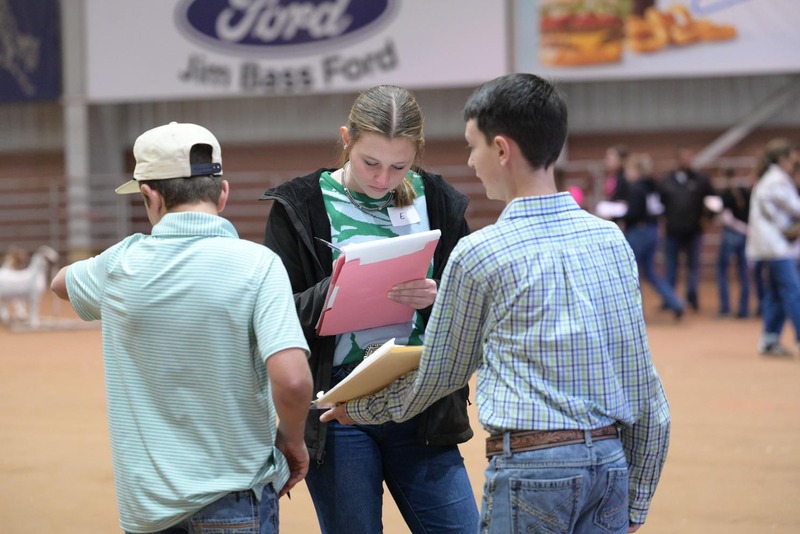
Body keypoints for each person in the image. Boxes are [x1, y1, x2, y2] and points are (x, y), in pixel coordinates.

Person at [322, 73, 671, 533]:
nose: (470, 160)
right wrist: (635, 501)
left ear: (502, 150)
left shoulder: (481, 253)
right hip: (609, 465)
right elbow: (647, 392)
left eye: (473, 146)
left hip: (532, 470)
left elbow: (438, 376)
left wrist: (360, 410)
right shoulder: (610, 241)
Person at [50, 122, 313, 533]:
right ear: (222, 193)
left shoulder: (119, 265)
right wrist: (293, 441)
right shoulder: (258, 265)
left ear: (148, 196)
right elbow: (294, 381)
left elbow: (60, 283)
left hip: (147, 510)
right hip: (236, 499)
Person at [260, 85, 478, 534]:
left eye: (399, 166)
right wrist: (340, 290)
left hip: (421, 397)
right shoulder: (299, 206)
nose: (383, 179)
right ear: (346, 140)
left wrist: (439, 297)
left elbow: (470, 313)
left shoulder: (438, 200)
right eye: (370, 163)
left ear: (417, 153)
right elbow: (276, 314)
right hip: (337, 406)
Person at [745, 138, 800, 357]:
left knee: (776, 293)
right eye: (792, 160)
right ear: (782, 159)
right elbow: (795, 208)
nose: (794, 164)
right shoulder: (777, 180)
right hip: (776, 247)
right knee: (793, 291)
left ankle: (769, 339)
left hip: (771, 246)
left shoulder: (770, 179)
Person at [621, 152, 684, 319]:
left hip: (638, 232)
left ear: (636, 171)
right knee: (651, 272)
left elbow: (633, 213)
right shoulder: (653, 186)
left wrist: (619, 216)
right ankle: (675, 302)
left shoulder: (636, 188)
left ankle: (635, 313)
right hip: (652, 230)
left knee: (632, 273)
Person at [658, 147, 716, 311]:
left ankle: (692, 298)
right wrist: (662, 220)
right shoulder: (667, 180)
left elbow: (714, 201)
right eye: (684, 158)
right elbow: (658, 204)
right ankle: (670, 300)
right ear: (677, 160)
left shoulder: (701, 180)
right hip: (672, 231)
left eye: (690, 158)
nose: (688, 161)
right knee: (671, 267)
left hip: (693, 231)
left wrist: (707, 219)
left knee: (693, 267)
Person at [715, 167, 752, 318]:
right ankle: (744, 309)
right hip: (746, 234)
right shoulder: (746, 192)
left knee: (722, 269)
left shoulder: (725, 195)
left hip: (732, 234)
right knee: (743, 272)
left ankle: (725, 308)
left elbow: (726, 218)